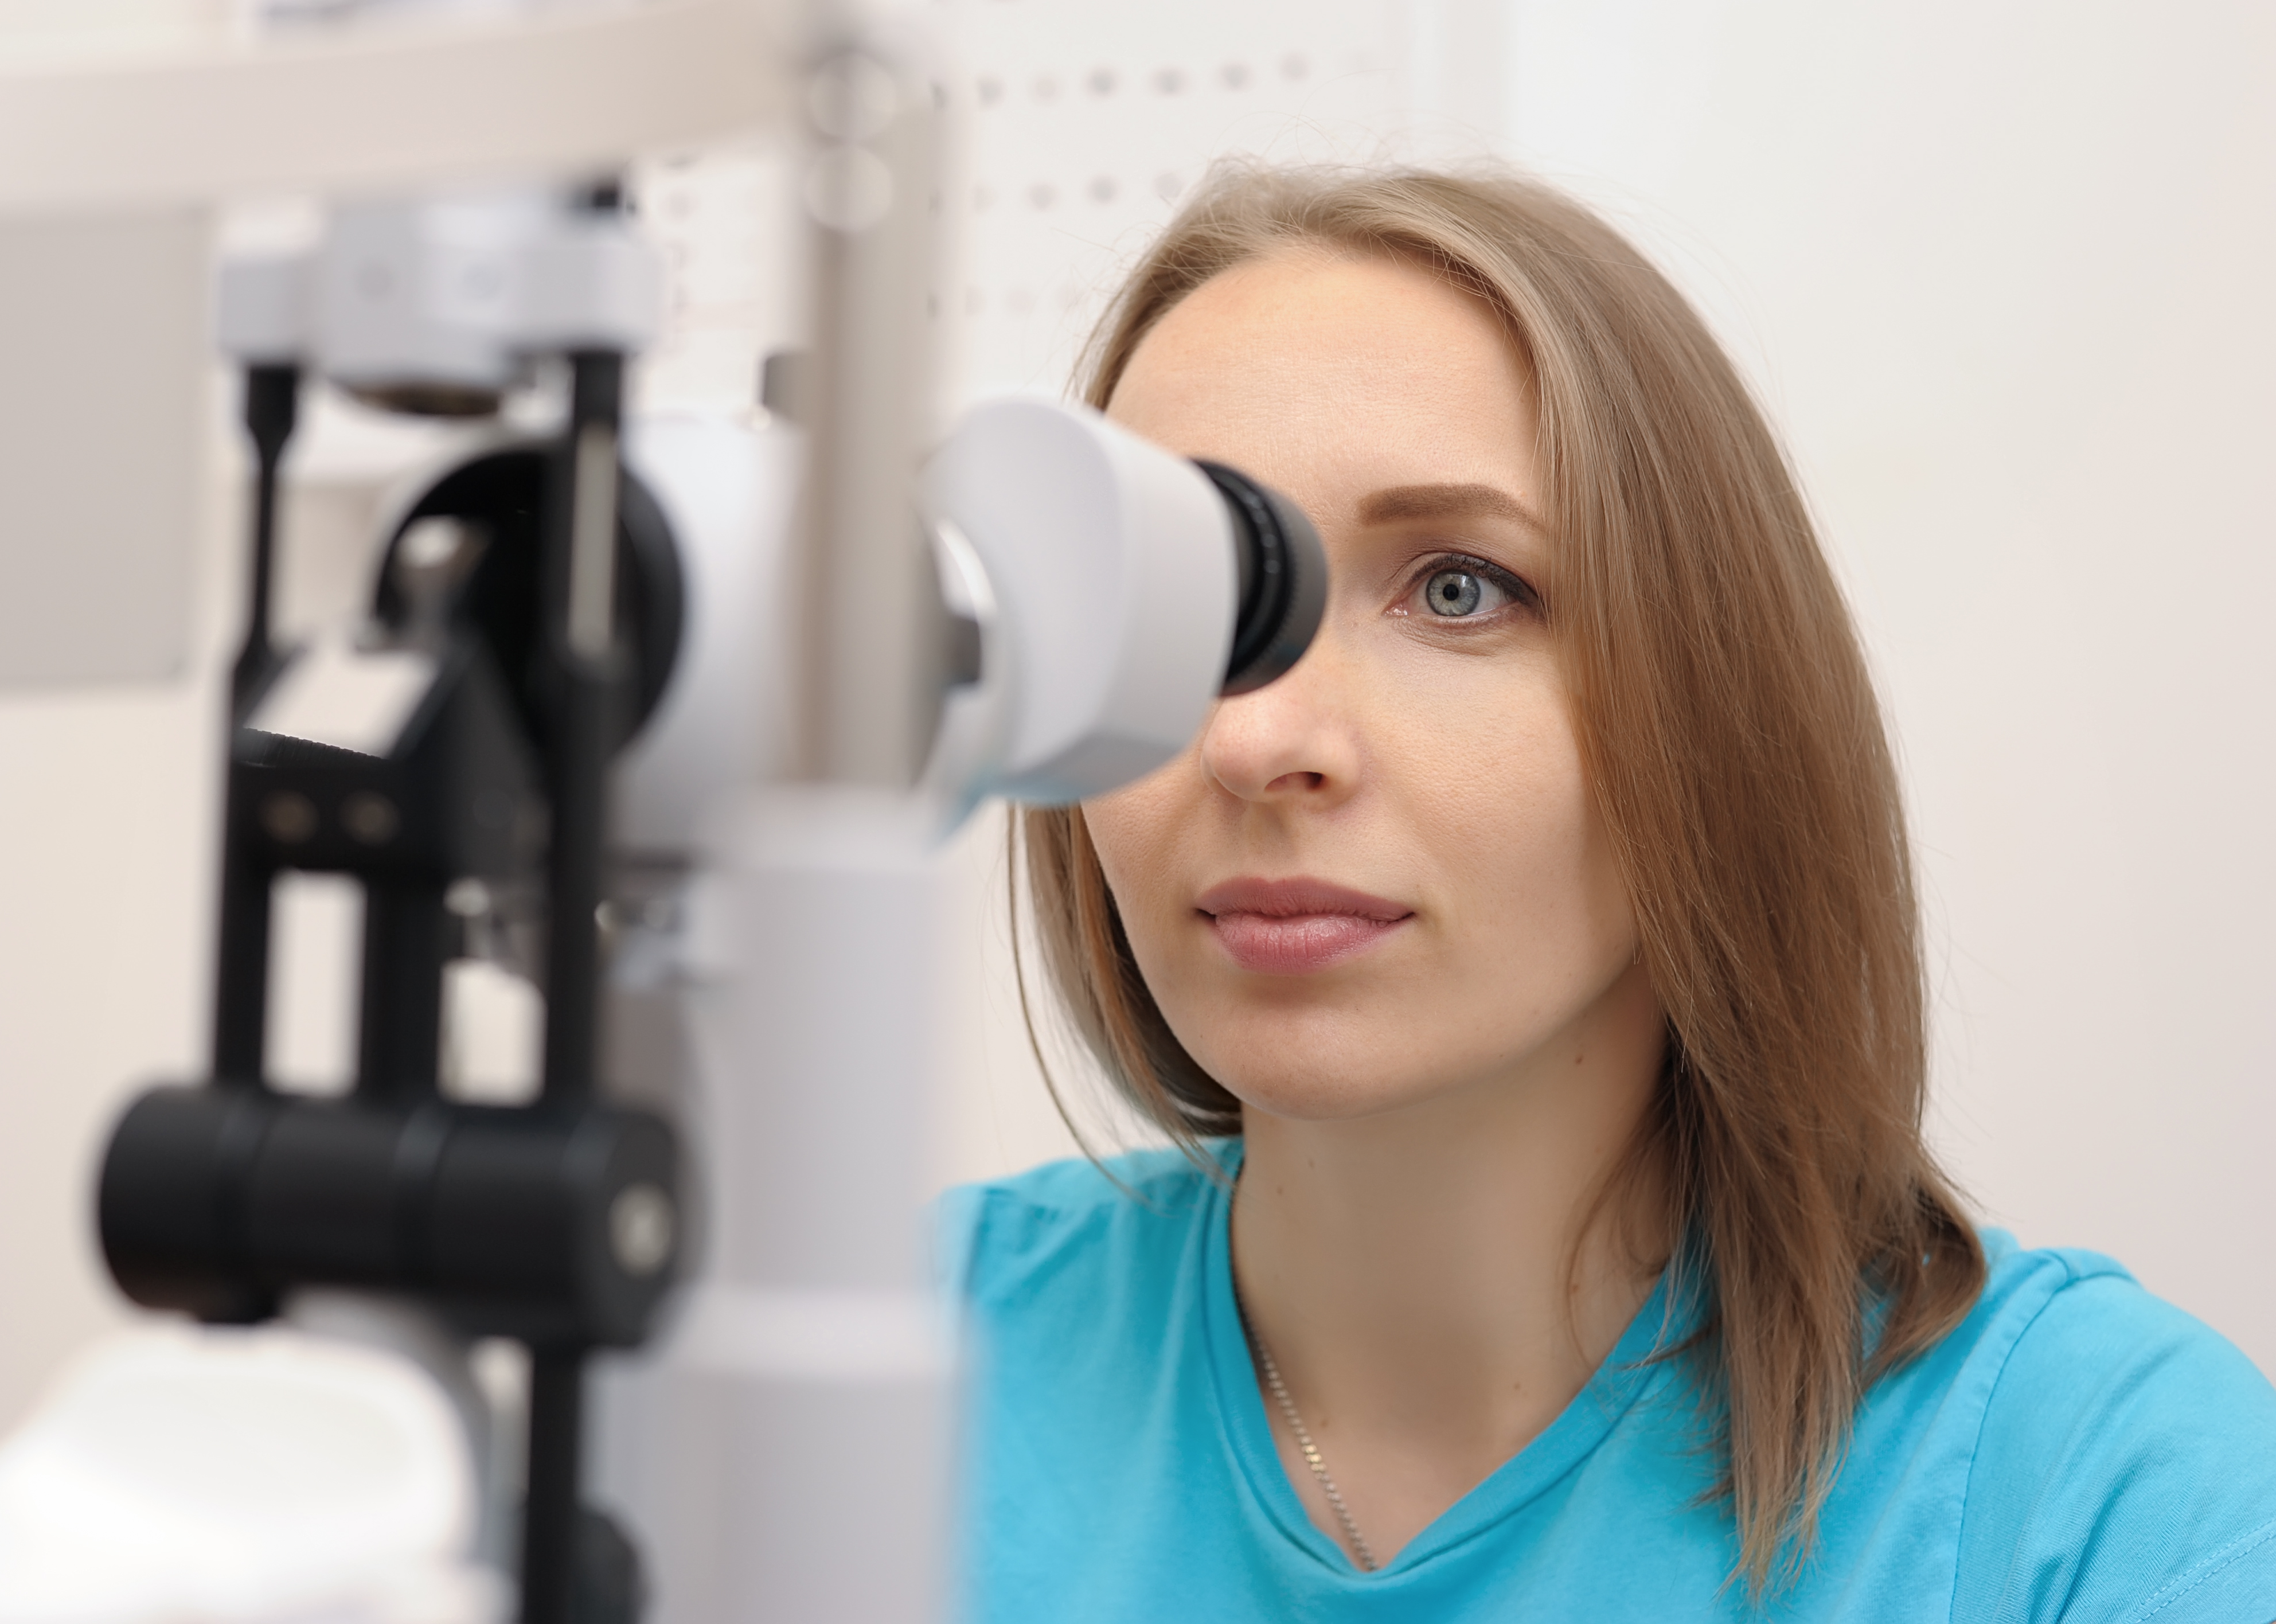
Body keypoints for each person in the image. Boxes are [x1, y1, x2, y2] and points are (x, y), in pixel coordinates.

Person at [938, 166, 2276, 1622]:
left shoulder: (2110, 1506)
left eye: (1458, 588)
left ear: (1712, 705)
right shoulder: (868, 1353)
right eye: (1183, 605)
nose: (1258, 741)